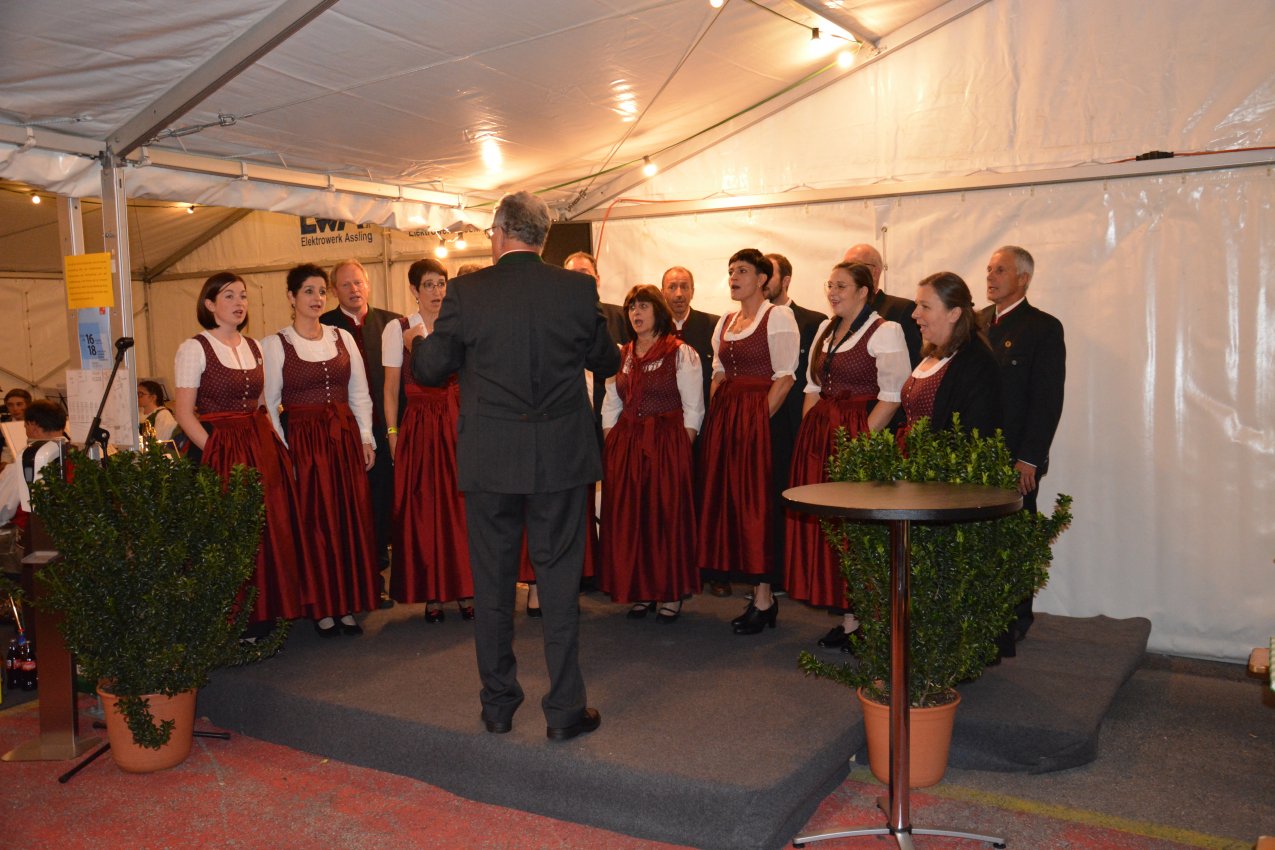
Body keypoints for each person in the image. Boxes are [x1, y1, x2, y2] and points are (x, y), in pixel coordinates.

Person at [409, 190, 620, 741]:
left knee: (493, 583)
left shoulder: (467, 291)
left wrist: (420, 342)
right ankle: (565, 710)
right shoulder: (578, 289)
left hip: (492, 458)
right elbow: (607, 360)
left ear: (500, 233)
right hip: (561, 457)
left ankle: (499, 706)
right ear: (542, 238)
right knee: (559, 583)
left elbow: (431, 369)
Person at [782, 263, 910, 650]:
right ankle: (849, 618)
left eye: (842, 286)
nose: (833, 292)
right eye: (830, 285)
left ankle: (867, 620)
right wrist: (808, 434)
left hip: (857, 433)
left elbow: (893, 395)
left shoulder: (885, 331)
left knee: (856, 531)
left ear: (863, 291)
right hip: (821, 435)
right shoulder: (827, 329)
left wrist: (859, 443)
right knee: (831, 528)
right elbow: (812, 387)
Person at [173, 272, 305, 632]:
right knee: (227, 533)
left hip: (257, 443)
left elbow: (263, 405)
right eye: (229, 296)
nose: (239, 303)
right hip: (218, 446)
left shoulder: (254, 347)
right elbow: (183, 413)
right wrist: (215, 451)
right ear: (209, 304)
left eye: (243, 296)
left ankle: (263, 614)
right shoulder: (194, 348)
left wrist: (275, 447)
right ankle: (230, 621)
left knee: (265, 530)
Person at [263, 264, 379, 637]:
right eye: (308, 291)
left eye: (321, 291)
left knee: (347, 519)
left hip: (342, 439)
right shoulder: (276, 344)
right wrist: (283, 452)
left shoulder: (341, 337)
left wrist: (365, 437)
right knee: (315, 524)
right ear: (291, 297)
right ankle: (322, 608)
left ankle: (346, 603)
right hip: (304, 443)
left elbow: (359, 391)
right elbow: (269, 404)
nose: (317, 298)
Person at [696, 248, 799, 635]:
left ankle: (764, 597)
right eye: (731, 271)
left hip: (759, 420)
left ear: (762, 279)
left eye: (742, 271)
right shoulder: (725, 321)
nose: (734, 277)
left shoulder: (778, 316)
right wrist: (717, 416)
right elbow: (719, 373)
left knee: (758, 504)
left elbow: (785, 378)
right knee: (732, 503)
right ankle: (755, 592)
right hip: (727, 419)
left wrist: (755, 422)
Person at [598, 285, 704, 623]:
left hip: (666, 444)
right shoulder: (623, 354)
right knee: (634, 520)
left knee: (665, 519)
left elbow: (694, 408)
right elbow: (611, 403)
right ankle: (641, 590)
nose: (636, 313)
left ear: (658, 311)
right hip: (628, 445)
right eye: (632, 308)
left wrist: (679, 450)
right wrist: (614, 443)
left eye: (643, 306)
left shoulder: (681, 353)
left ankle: (669, 593)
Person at [980, 245, 1066, 655]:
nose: (990, 276)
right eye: (989, 269)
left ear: (1023, 278)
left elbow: (1047, 399)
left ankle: (1015, 619)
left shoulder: (1042, 328)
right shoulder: (976, 322)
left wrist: (1029, 457)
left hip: (1015, 456)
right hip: (975, 454)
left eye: (1000, 270)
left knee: (1014, 538)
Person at [381, 259, 474, 623]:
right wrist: (392, 433)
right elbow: (390, 389)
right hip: (419, 425)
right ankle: (432, 592)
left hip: (456, 422)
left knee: (460, 509)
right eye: (429, 285)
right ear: (414, 290)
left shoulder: (458, 323)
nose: (437, 291)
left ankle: (465, 587)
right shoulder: (398, 329)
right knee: (424, 509)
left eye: (441, 283)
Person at [320, 259, 402, 608]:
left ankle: (389, 573)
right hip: (345, 433)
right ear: (334, 291)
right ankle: (365, 579)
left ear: (368, 284)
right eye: (345, 285)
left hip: (389, 430)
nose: (354, 290)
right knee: (357, 507)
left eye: (358, 283)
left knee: (387, 503)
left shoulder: (392, 323)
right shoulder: (324, 327)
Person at [762, 252, 825, 598]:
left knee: (791, 497)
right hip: (762, 421)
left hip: (794, 422)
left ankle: (792, 573)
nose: (761, 280)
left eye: (768, 274)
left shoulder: (814, 322)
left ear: (785, 280)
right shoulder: (747, 321)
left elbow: (814, 379)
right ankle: (765, 574)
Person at [900, 272, 1000, 439]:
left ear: (954, 313)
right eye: (917, 305)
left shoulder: (978, 364)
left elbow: (973, 434)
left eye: (925, 306)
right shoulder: (934, 351)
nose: (914, 313)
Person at [842, 244, 923, 367]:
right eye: (844, 266)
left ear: (874, 273)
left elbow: (913, 362)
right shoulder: (841, 314)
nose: (846, 273)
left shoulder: (902, 310)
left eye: (854, 266)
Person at [0, 399, 66, 529]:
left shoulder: (23, 464)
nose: (25, 430)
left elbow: (3, 510)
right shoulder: (78, 456)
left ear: (33, 426)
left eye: (25, 426)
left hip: (29, 534)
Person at [660, 265, 718, 408]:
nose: (679, 294)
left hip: (705, 409)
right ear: (662, 293)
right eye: (672, 287)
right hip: (665, 411)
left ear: (692, 292)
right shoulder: (655, 329)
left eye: (685, 287)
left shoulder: (714, 326)